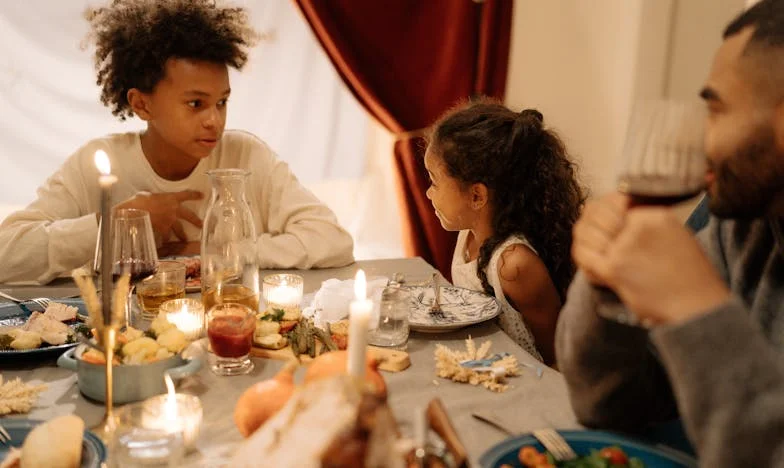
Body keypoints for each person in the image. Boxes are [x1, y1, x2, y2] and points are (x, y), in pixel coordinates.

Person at [556, 1, 784, 465]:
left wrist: (695, 309)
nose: (700, 143)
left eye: (716, 112)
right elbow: (611, 408)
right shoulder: (740, 228)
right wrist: (608, 291)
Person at [0, 0, 354, 284]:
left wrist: (216, 251)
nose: (215, 120)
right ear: (141, 104)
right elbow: (7, 255)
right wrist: (114, 226)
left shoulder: (245, 155)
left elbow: (333, 241)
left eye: (222, 102)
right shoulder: (99, 160)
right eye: (195, 104)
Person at [425, 100, 585, 364]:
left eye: (434, 181)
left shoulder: (514, 266)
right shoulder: (468, 234)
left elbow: (559, 357)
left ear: (476, 196)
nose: (429, 193)